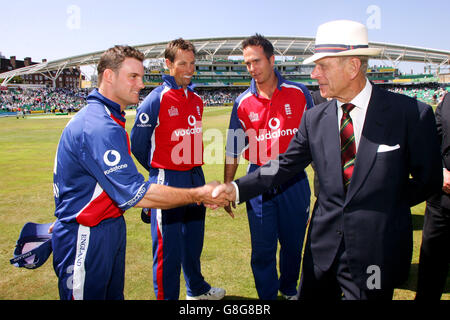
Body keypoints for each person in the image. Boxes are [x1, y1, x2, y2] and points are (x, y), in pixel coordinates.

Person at [212, 20, 442, 300]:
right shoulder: (314, 118)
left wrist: (383, 202)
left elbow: (429, 179)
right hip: (321, 253)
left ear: (353, 66)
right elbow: (283, 164)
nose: (314, 73)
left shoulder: (410, 115)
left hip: (375, 254)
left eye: (322, 66)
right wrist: (236, 188)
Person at [51, 45, 228, 300]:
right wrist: (191, 189)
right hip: (87, 232)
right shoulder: (98, 125)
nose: (141, 84)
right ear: (109, 76)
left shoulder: (110, 118)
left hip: (110, 223)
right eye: (133, 76)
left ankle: (195, 288)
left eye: (142, 76)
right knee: (166, 253)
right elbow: (136, 185)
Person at [130, 38, 225, 300]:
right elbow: (137, 145)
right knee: (167, 252)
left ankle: (196, 290)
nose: (189, 69)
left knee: (193, 243)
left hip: (196, 176)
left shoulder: (196, 99)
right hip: (167, 179)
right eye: (182, 63)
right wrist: (158, 172)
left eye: (192, 63)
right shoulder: (155, 99)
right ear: (168, 64)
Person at [224, 34, 313, 300]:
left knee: (293, 246)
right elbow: (232, 148)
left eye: (256, 61)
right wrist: (229, 186)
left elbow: (316, 138)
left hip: (294, 180)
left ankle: (288, 289)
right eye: (247, 63)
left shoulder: (299, 93)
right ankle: (267, 297)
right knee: (262, 249)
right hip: (258, 182)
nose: (252, 68)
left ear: (272, 60)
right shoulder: (242, 102)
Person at [416, 92, 450, 300]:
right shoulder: (447, 101)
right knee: (431, 267)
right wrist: (440, 172)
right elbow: (431, 143)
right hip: (441, 200)